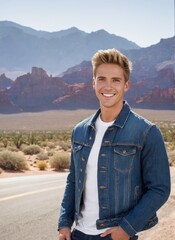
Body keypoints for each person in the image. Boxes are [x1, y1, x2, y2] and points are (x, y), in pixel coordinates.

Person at [58, 48, 171, 240]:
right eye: (101, 79)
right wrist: (64, 223)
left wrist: (126, 229)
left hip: (115, 234)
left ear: (126, 85)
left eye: (116, 80)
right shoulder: (80, 131)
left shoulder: (146, 132)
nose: (108, 86)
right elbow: (73, 180)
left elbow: (160, 189)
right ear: (93, 83)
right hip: (78, 234)